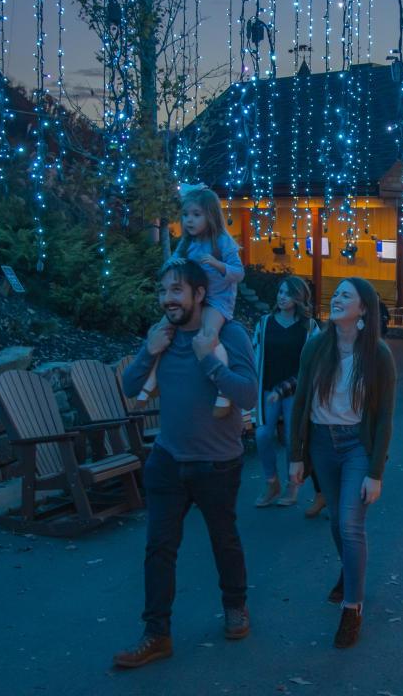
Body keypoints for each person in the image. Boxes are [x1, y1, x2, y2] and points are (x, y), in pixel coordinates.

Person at [115, 258, 259, 668]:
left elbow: (248, 394)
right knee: (159, 548)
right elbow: (129, 389)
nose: (167, 299)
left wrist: (208, 360)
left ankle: (236, 605)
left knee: (224, 541)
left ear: (199, 293)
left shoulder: (229, 334)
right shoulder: (163, 335)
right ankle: (156, 633)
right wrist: (148, 350)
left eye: (176, 290)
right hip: (167, 459)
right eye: (162, 291)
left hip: (217, 463)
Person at [287, 277, 396, 649]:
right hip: (320, 442)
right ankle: (349, 573)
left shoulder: (378, 354)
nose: (336, 299)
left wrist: (375, 473)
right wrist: (296, 455)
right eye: (335, 294)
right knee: (336, 520)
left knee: (351, 525)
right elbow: (301, 402)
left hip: (355, 447)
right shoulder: (316, 347)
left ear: (363, 309)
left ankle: (352, 608)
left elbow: (384, 418)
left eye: (346, 295)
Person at [143, 186, 244, 416]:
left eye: (196, 215)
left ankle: (223, 392)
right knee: (161, 329)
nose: (189, 220)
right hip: (194, 299)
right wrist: (170, 269)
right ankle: (151, 382)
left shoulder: (222, 241)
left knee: (209, 335)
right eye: (186, 215)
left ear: (210, 215)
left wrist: (217, 265)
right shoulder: (187, 242)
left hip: (217, 299)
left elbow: (238, 273)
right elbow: (173, 261)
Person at [252, 276, 320, 508]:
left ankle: (293, 485)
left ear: (299, 298)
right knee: (262, 434)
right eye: (280, 292)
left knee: (294, 438)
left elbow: (314, 364)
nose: (282, 297)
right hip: (268, 388)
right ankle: (272, 481)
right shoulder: (264, 323)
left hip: (295, 391)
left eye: (288, 294)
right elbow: (254, 355)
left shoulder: (309, 328)